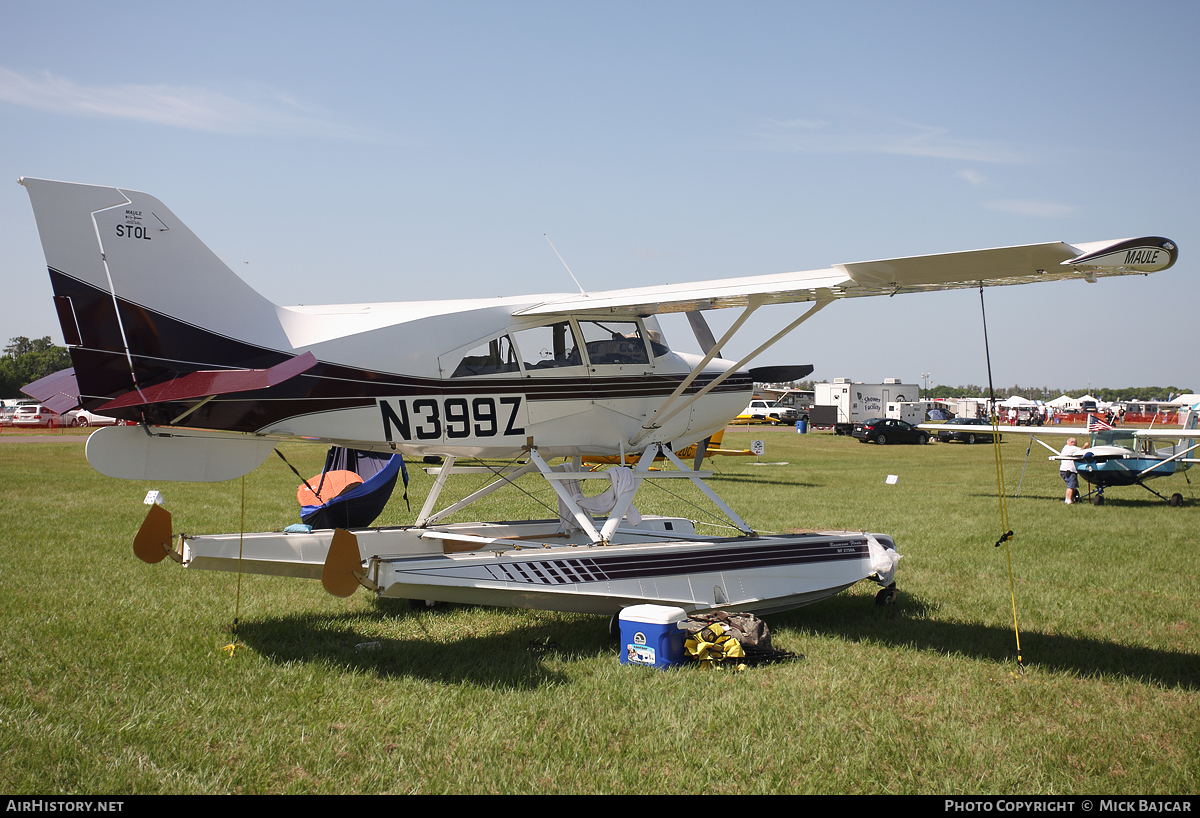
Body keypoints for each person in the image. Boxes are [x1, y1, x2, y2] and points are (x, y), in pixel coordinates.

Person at [1059, 437, 1084, 504]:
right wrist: (1086, 445)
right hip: (1069, 470)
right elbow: (1082, 450)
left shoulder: (1065, 447)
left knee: (1070, 485)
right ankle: (1068, 500)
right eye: (1076, 443)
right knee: (1071, 486)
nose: (1076, 445)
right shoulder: (1071, 448)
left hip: (1063, 469)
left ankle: (1069, 499)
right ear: (1071, 442)